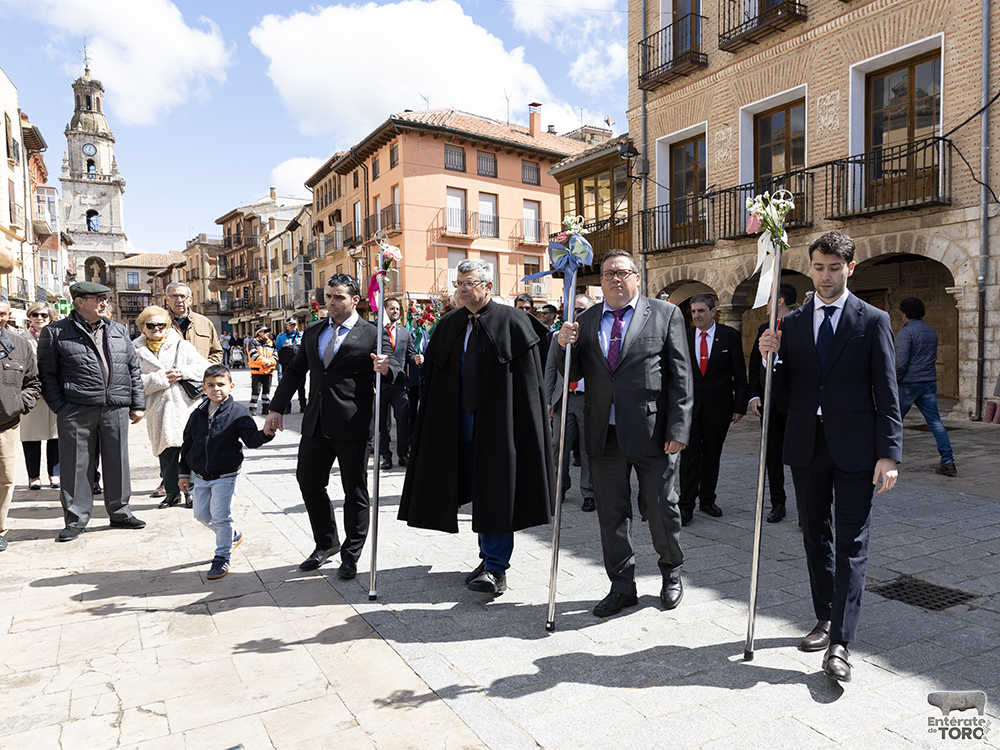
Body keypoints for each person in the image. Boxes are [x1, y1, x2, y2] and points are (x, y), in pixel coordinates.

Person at [759, 230, 902, 683]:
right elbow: (782, 391)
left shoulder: (873, 320)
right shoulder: (792, 323)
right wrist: (768, 359)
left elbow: (887, 391)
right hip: (806, 445)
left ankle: (841, 641)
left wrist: (889, 454)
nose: (825, 276)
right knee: (814, 538)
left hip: (858, 448)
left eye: (834, 268)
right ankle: (824, 616)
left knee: (851, 543)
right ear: (810, 267)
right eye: (819, 267)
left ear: (850, 268)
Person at [399, 258, 554, 596]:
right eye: (459, 284)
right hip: (459, 427)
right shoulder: (449, 324)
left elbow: (530, 383)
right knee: (480, 493)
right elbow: (434, 378)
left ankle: (496, 567)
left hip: (500, 428)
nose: (462, 290)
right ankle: (487, 558)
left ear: (488, 286)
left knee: (497, 492)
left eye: (469, 283)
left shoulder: (514, 322)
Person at [557, 249, 692, 616]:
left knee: (661, 507)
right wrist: (562, 344)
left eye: (622, 272)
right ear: (600, 282)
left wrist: (678, 428)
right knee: (611, 514)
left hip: (653, 433)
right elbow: (570, 373)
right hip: (603, 434)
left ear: (636, 277)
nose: (615, 279)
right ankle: (621, 585)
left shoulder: (664, 314)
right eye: (607, 274)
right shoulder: (584, 321)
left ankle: (671, 573)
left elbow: (681, 377)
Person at [264, 274, 400, 578]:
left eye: (338, 297)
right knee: (309, 482)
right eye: (328, 296)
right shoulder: (314, 331)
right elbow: (295, 371)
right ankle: (326, 543)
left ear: (355, 300)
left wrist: (386, 368)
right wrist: (276, 408)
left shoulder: (373, 333)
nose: (331, 302)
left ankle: (351, 554)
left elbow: (397, 371)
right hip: (316, 423)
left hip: (353, 425)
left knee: (355, 491)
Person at [37, 281, 147, 542]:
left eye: (105, 299)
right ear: (79, 302)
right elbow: (47, 375)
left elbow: (132, 368)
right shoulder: (55, 332)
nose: (104, 303)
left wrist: (137, 403)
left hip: (115, 407)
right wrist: (61, 407)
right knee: (76, 466)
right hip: (76, 409)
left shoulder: (118, 330)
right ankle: (76, 519)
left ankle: (120, 512)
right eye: (98, 299)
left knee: (118, 462)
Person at [179, 364, 274, 579]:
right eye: (211, 385)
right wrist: (183, 472)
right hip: (201, 476)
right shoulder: (197, 414)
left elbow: (252, 440)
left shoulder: (238, 412)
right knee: (201, 515)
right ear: (204, 388)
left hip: (226, 475)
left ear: (231, 386)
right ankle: (232, 535)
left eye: (221, 384)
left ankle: (222, 556)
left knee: (221, 516)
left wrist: (267, 433)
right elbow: (188, 444)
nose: (216, 389)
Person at [679, 294, 747, 525]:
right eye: (693, 311)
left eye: (701, 311)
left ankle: (707, 500)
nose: (696, 315)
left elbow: (739, 373)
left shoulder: (730, 336)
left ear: (713, 312)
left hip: (719, 407)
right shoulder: (685, 336)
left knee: (712, 456)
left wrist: (739, 406)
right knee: (689, 457)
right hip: (690, 408)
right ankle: (686, 505)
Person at [133, 305, 210, 509]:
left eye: (161, 325)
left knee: (189, 451)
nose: (156, 329)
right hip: (157, 409)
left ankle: (191, 492)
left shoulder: (181, 346)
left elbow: (205, 368)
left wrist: (182, 372)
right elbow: (131, 381)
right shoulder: (134, 350)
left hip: (185, 407)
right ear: (142, 327)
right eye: (151, 325)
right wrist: (161, 378)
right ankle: (171, 493)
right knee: (166, 454)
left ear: (167, 326)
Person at [747, 282, 797, 523]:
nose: (765, 305)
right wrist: (754, 395)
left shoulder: (799, 326)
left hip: (794, 404)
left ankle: (806, 507)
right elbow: (755, 363)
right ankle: (778, 503)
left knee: (799, 456)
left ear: (779, 301)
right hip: (769, 405)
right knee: (772, 456)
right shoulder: (763, 328)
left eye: (768, 299)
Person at [545, 294, 596, 512]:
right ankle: (559, 488)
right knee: (558, 447)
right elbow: (550, 370)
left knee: (587, 450)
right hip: (563, 399)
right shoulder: (558, 336)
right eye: (574, 309)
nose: (576, 313)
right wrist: (548, 400)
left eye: (581, 309)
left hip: (588, 401)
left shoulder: (595, 336)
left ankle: (589, 493)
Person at [895, 297, 956, 476]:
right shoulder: (930, 330)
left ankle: (884, 457)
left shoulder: (906, 332)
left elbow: (900, 363)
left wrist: (893, 380)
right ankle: (948, 461)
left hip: (908, 383)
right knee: (935, 422)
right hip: (928, 382)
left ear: (905, 313)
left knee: (893, 421)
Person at [0, 296, 42, 552]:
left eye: (2, 313)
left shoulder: (20, 345)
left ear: (8, 316)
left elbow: (33, 383)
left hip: (7, 425)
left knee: (5, 480)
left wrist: (18, 405)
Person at [20, 302, 60, 491]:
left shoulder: (57, 337)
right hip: (30, 394)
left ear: (50, 317)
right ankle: (33, 476)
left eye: (44, 315)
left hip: (53, 393)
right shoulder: (21, 339)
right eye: (35, 314)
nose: (39, 318)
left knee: (55, 436)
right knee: (30, 437)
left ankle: (54, 474)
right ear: (29, 316)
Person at [379, 298, 420, 470]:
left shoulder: (404, 332)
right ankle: (386, 456)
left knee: (403, 419)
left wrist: (416, 359)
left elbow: (409, 355)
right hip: (380, 384)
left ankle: (403, 454)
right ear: (385, 310)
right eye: (391, 308)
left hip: (400, 385)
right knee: (382, 423)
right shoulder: (376, 331)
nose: (395, 311)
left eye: (397, 309)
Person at [164, 281, 223, 365]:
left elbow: (217, 352)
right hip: (170, 373)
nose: (179, 300)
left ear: (190, 300)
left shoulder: (205, 323)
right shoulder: (158, 323)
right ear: (167, 300)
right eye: (174, 296)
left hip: (200, 372)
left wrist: (204, 367)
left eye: (183, 296)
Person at [274, 318, 306, 414]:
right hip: (287, 367)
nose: (293, 326)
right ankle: (287, 407)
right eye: (291, 325)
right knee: (287, 387)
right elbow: (277, 349)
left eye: (294, 324)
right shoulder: (281, 337)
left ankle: (303, 406)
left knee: (301, 387)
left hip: (301, 366)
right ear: (287, 326)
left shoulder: (302, 335)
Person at [247, 326, 277, 415]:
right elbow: (254, 356)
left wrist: (270, 362)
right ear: (258, 333)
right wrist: (267, 362)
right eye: (265, 331)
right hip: (257, 371)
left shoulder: (271, 343)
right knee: (256, 391)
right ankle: (253, 408)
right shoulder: (253, 342)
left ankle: (266, 408)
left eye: (268, 331)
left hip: (268, 371)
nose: (267, 333)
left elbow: (275, 356)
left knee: (266, 391)